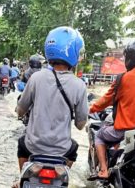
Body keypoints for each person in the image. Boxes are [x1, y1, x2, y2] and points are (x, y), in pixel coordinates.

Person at [16, 26, 88, 173]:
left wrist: (19, 111)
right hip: (62, 151)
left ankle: (22, 178)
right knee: (74, 147)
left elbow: (20, 111)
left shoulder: (36, 78)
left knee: (21, 143)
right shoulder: (79, 85)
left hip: (33, 148)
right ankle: (62, 176)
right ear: (72, 52)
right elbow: (81, 125)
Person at [88, 38, 135, 180]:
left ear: (131, 57)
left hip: (127, 131)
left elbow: (105, 101)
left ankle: (103, 170)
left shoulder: (123, 79)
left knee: (100, 135)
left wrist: (90, 109)